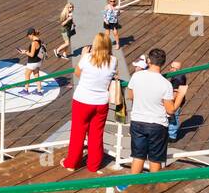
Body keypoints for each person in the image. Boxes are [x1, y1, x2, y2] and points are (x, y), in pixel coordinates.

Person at [62, 33, 121, 173]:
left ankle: (72, 163)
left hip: (83, 100)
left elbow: (77, 73)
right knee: (96, 134)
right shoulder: (113, 60)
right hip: (101, 103)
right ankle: (94, 165)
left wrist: (83, 55)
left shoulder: (87, 58)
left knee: (78, 133)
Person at [125, 48, 181, 176]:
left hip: (138, 121)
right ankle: (153, 187)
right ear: (163, 63)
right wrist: (181, 96)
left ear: (149, 61)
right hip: (157, 124)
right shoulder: (166, 84)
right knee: (155, 159)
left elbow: (131, 96)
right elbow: (170, 110)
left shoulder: (137, 76)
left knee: (138, 156)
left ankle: (133, 183)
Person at [17, 28, 47, 94]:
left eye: (28, 36)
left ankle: (26, 90)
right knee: (36, 75)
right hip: (38, 61)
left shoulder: (34, 43)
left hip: (32, 62)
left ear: (31, 34)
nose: (28, 37)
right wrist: (26, 51)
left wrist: (24, 52)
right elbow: (35, 52)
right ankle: (39, 91)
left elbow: (32, 54)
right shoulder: (39, 40)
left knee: (27, 75)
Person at [167, 60, 188, 142]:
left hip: (176, 101)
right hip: (180, 99)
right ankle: (171, 134)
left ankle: (172, 137)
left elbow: (174, 94)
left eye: (174, 68)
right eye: (171, 67)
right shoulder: (180, 75)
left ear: (178, 69)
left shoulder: (177, 79)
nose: (171, 69)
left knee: (173, 118)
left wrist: (169, 102)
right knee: (173, 118)